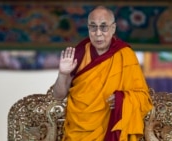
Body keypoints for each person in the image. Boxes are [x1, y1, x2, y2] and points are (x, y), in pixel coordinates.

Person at [52, 5, 153, 141]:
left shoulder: (125, 55)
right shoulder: (79, 54)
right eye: (93, 27)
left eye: (104, 27)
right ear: (88, 28)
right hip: (78, 133)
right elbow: (58, 96)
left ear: (113, 28)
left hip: (110, 129)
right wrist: (63, 74)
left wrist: (121, 100)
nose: (98, 33)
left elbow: (143, 97)